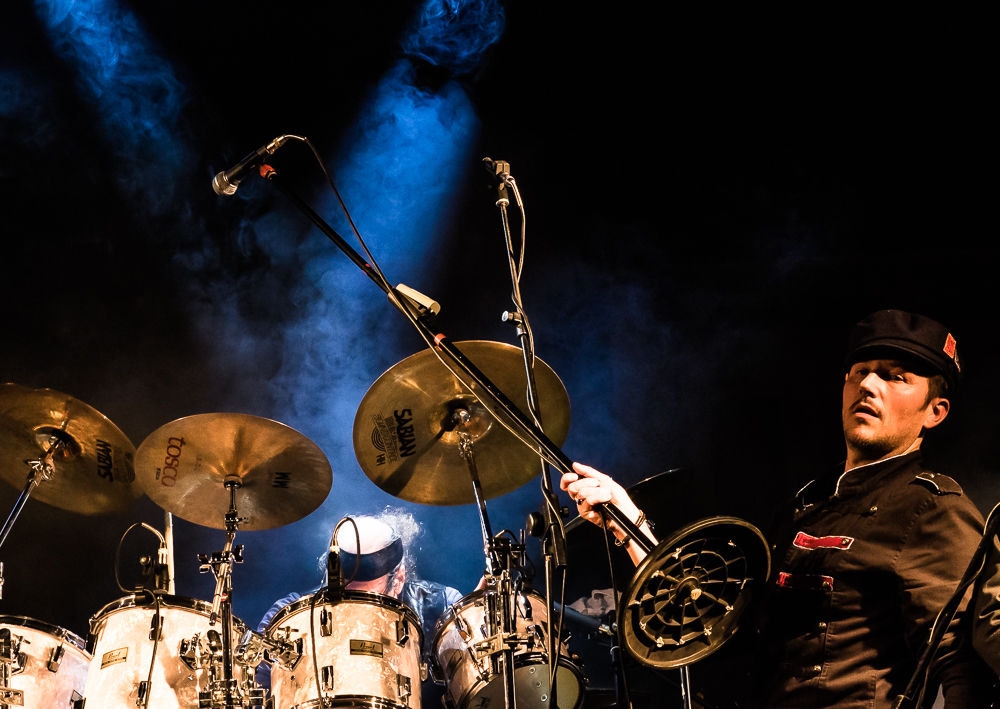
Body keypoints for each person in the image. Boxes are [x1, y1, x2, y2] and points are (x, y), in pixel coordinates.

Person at [564, 310, 990, 708]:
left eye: (896, 378)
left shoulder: (935, 510)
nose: (869, 385)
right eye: (860, 372)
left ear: (934, 412)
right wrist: (627, 521)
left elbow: (962, 665)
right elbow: (721, 629)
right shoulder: (807, 505)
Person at [255, 509, 463, 698]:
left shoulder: (442, 605)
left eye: (368, 597)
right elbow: (261, 691)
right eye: (344, 594)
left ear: (398, 580)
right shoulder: (290, 615)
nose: (354, 607)